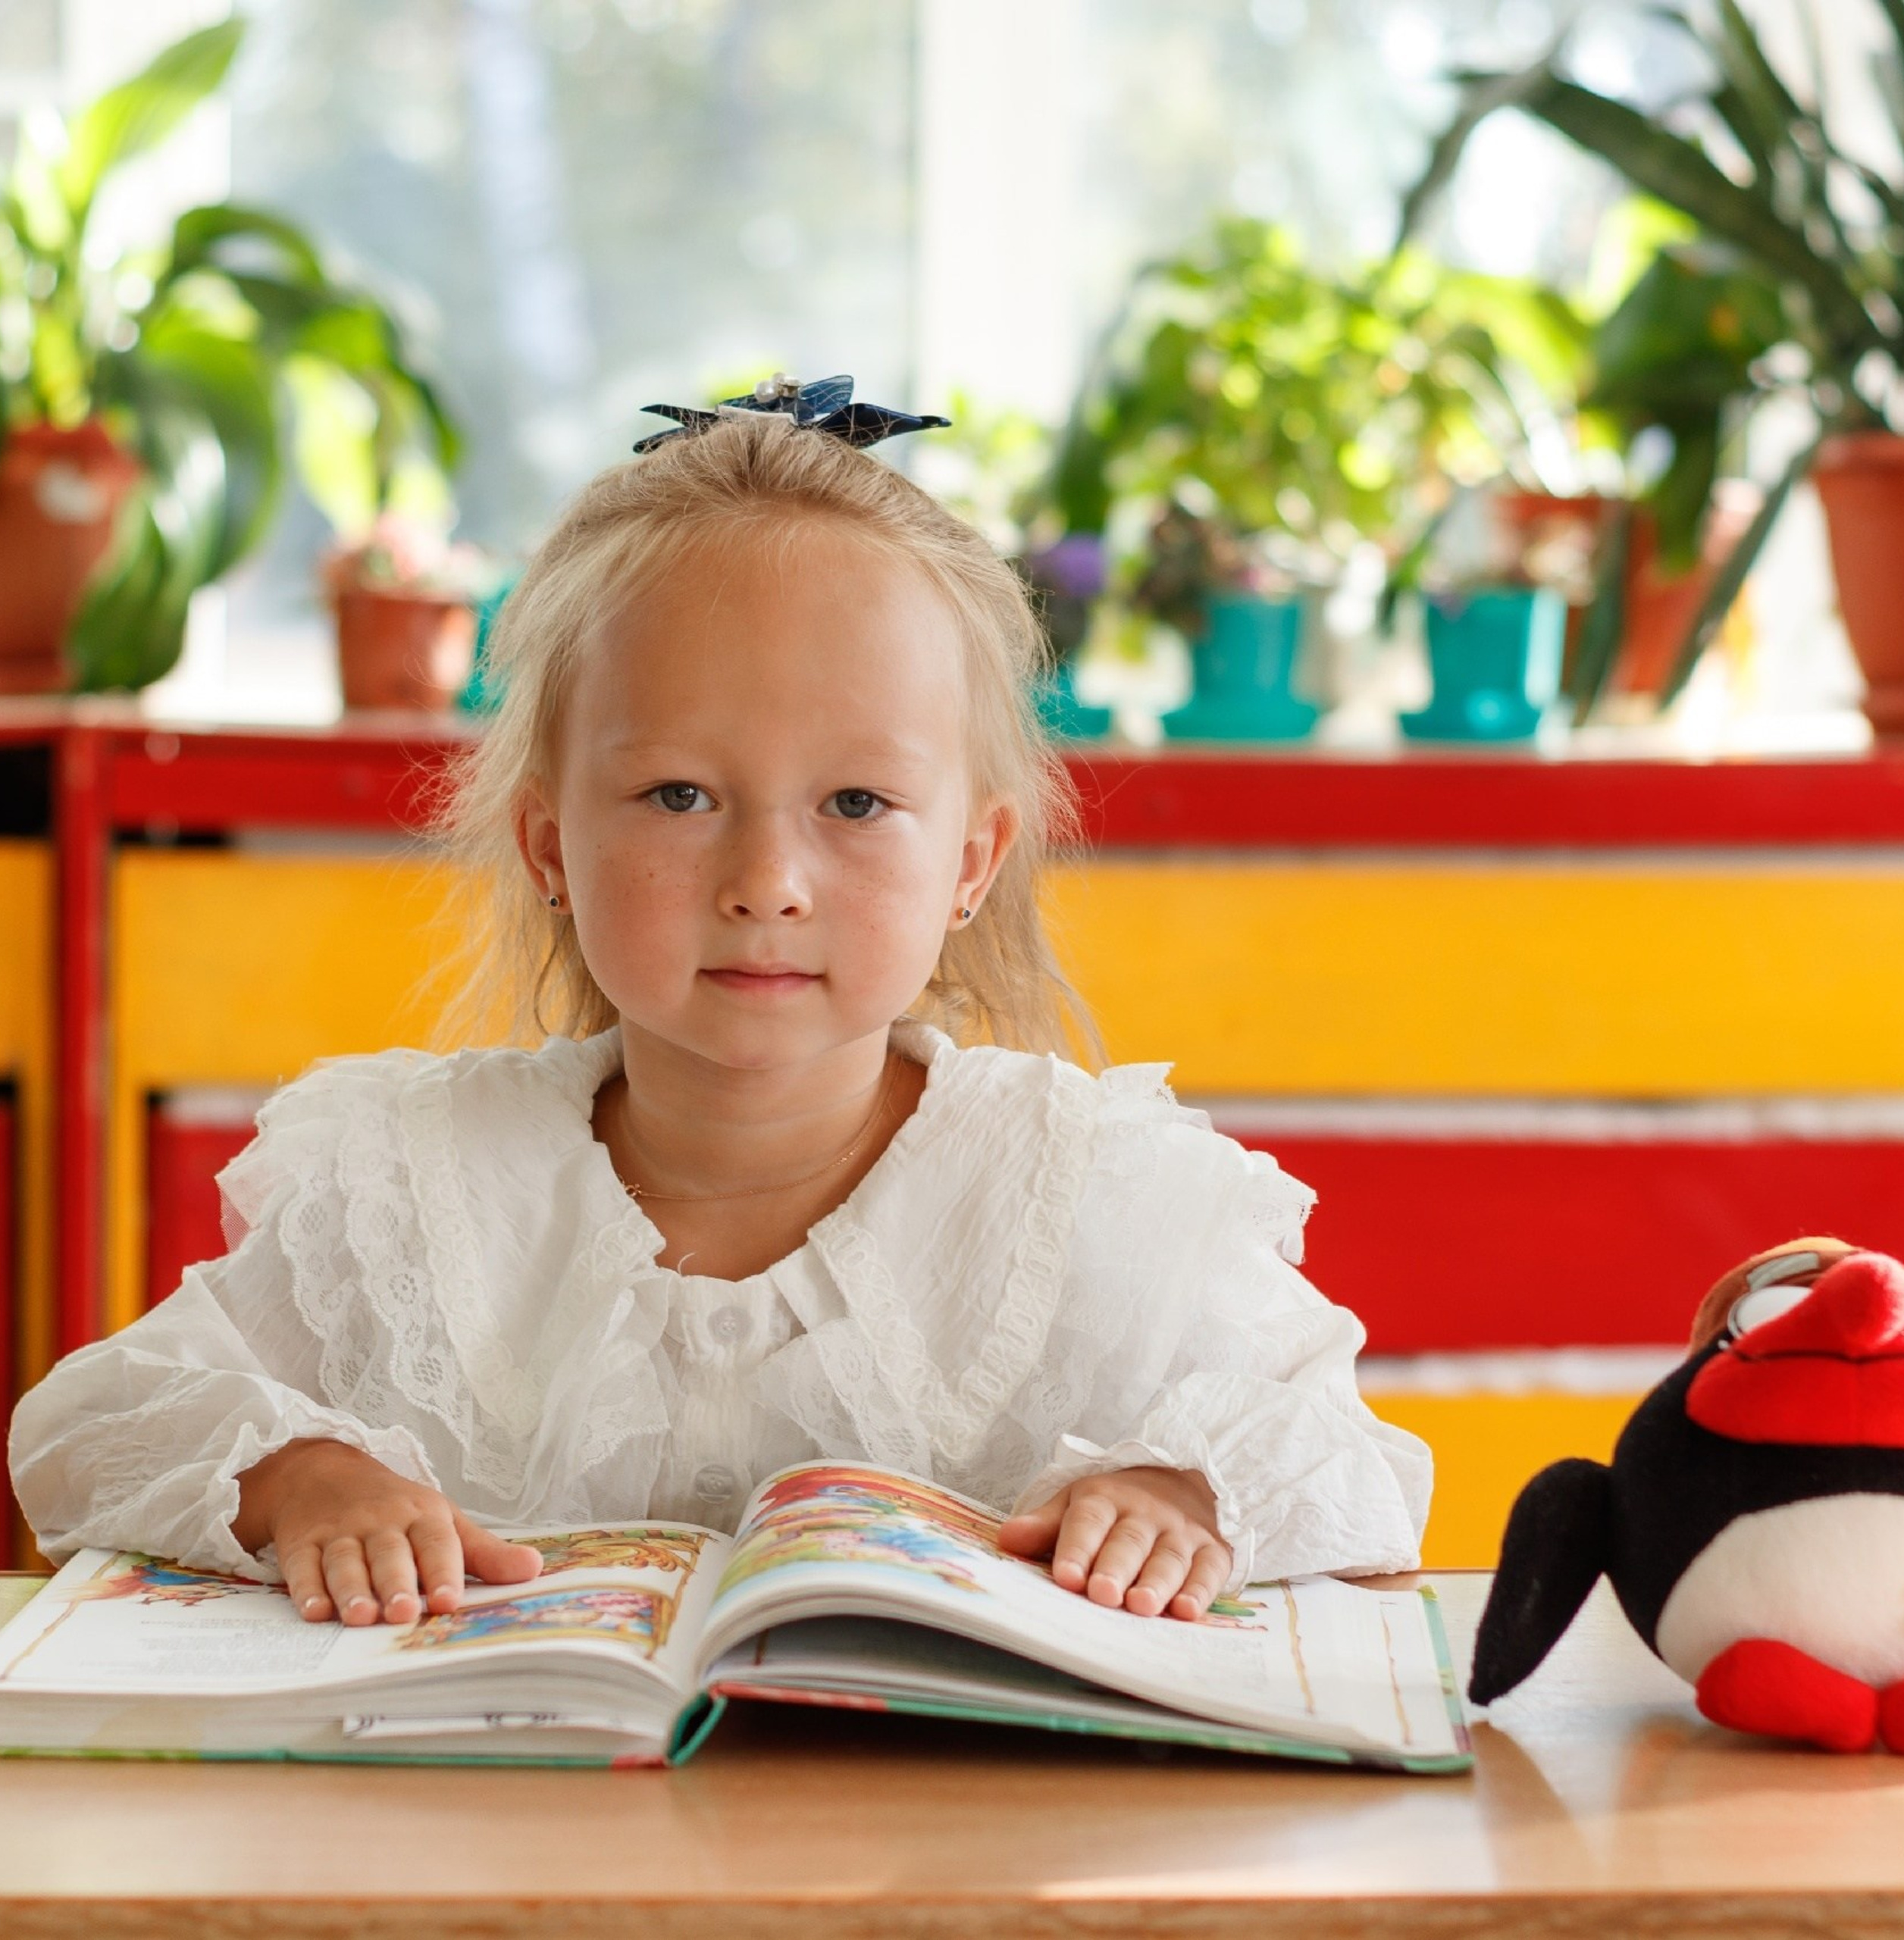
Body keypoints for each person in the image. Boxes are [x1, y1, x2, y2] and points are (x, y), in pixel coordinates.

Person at [9, 386, 1430, 1632]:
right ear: (551, 846)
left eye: (859, 804)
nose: (767, 881)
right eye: (678, 796)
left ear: (971, 865)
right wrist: (299, 1480)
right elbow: (84, 1428)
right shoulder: (411, 1192)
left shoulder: (1094, 1198)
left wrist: (1186, 1492)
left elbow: (1354, 1461)